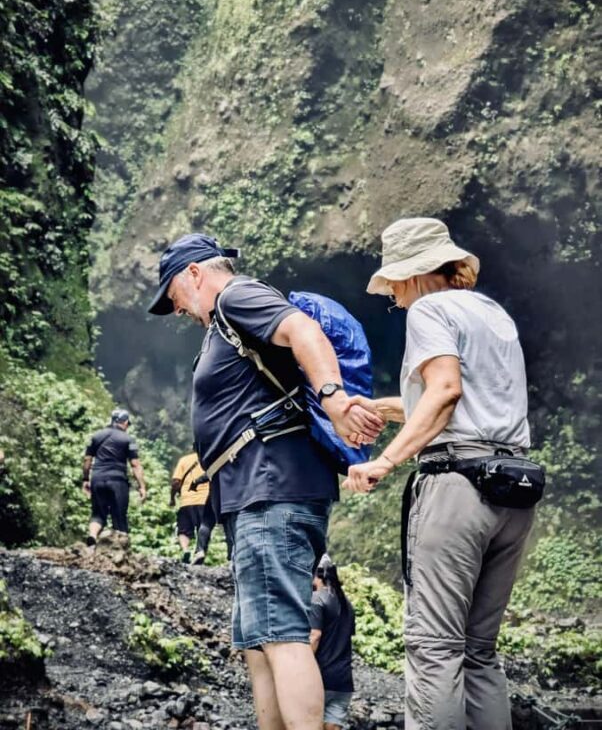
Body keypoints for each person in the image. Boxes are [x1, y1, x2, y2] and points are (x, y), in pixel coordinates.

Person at [148, 233, 383, 730]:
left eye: (174, 297)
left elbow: (301, 330)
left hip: (271, 486)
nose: (179, 311)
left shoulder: (237, 297)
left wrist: (334, 397)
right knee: (259, 644)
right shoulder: (221, 324)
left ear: (195, 273)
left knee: (283, 635)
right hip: (250, 495)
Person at [343, 217, 535, 730]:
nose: (396, 300)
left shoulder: (429, 308)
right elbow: (469, 399)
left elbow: (446, 393)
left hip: (458, 490)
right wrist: (386, 409)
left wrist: (385, 461)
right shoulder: (494, 314)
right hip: (513, 487)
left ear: (412, 275)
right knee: (478, 652)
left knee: (434, 647)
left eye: (394, 288)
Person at [82, 408, 147, 546]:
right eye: (128, 424)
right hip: (118, 481)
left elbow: (87, 460)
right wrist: (142, 486)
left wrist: (85, 480)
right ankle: (120, 549)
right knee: (119, 516)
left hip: (97, 478)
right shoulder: (128, 439)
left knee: (98, 514)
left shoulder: (96, 436)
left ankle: (93, 536)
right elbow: (135, 465)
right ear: (124, 422)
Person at [310, 554, 355, 730]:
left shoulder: (317, 599)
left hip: (321, 677)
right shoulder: (347, 604)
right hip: (343, 681)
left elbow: (315, 636)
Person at [170, 450, 216, 564]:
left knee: (183, 530)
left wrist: (172, 498)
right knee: (204, 527)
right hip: (205, 500)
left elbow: (176, 482)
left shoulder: (184, 460)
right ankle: (199, 553)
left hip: (186, 501)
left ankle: (186, 550)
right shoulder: (209, 458)